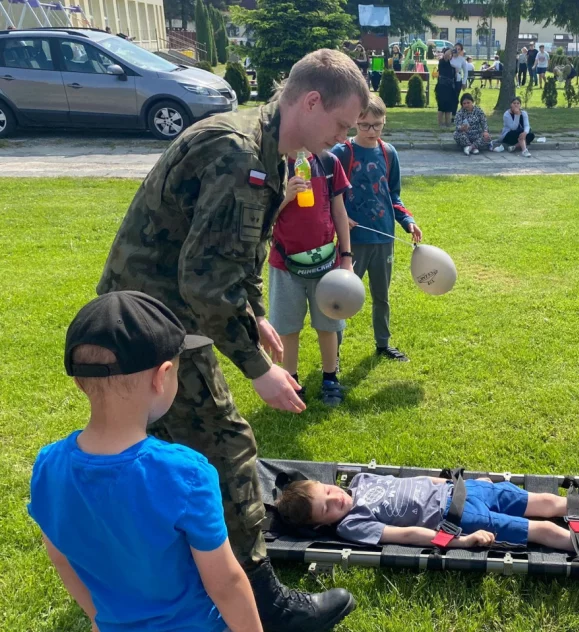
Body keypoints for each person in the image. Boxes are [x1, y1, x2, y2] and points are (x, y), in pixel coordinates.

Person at [96, 49, 368, 631]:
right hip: (156, 331)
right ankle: (264, 599)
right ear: (312, 102)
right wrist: (256, 365)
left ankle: (167, 562)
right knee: (227, 446)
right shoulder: (239, 153)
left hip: (156, 323)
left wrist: (257, 315)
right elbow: (204, 279)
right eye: (342, 126)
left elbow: (238, 255)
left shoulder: (265, 148)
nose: (342, 140)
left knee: (171, 455)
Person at [29, 291, 263, 632]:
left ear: (80, 381)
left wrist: (99, 618)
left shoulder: (47, 466)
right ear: (162, 376)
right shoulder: (187, 474)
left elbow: (60, 558)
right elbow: (225, 582)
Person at [275, 466, 579, 559]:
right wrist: (460, 541)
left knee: (551, 502)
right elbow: (407, 536)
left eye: (327, 491)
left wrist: (444, 480)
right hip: (464, 518)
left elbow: (412, 482)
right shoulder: (351, 526)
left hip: (466, 490)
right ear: (322, 524)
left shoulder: (358, 480)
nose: (335, 500)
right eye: (326, 508)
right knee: (541, 530)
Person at [331, 95, 423, 362]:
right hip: (353, 242)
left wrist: (408, 222)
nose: (371, 131)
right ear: (354, 123)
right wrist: (342, 218)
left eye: (377, 125)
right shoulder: (342, 153)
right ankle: (333, 352)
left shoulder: (388, 153)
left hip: (384, 240)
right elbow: (327, 195)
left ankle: (383, 344)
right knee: (343, 299)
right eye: (364, 125)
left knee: (381, 297)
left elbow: (393, 195)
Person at [268, 149, 353, 407]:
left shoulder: (328, 162)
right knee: (287, 327)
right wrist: (285, 197)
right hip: (285, 263)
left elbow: (339, 212)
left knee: (327, 324)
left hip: (326, 261)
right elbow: (261, 216)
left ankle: (330, 379)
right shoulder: (273, 164)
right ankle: (290, 383)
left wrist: (346, 257)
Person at [435, 47, 456, 128]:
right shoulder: (442, 61)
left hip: (450, 87)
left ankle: (448, 124)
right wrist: (453, 49)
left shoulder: (452, 64)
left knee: (449, 107)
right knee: (441, 106)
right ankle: (440, 124)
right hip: (442, 86)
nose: (450, 55)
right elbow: (446, 55)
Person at [450, 43, 468, 120]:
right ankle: (448, 113)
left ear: (461, 50)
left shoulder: (462, 59)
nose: (457, 50)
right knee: (448, 98)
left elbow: (465, 71)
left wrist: (464, 82)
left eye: (459, 49)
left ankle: (453, 115)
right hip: (449, 80)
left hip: (457, 80)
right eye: (456, 48)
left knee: (455, 98)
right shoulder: (449, 58)